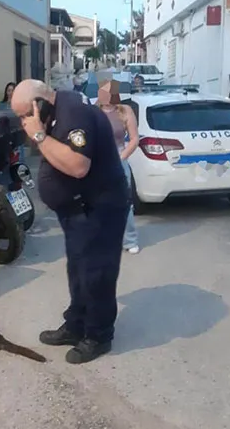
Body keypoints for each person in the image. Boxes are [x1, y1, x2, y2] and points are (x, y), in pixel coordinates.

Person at [10, 79, 130, 364]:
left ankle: (99, 335)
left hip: (99, 208)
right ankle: (76, 324)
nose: (24, 122)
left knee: (96, 273)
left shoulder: (74, 114)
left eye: (25, 114)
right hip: (77, 209)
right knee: (78, 269)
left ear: (39, 104)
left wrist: (39, 136)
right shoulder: (55, 113)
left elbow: (78, 166)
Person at [96, 79, 140, 253]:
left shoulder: (125, 111)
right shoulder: (93, 111)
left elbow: (134, 139)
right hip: (97, 163)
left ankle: (130, 240)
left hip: (118, 160)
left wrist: (122, 157)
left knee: (123, 203)